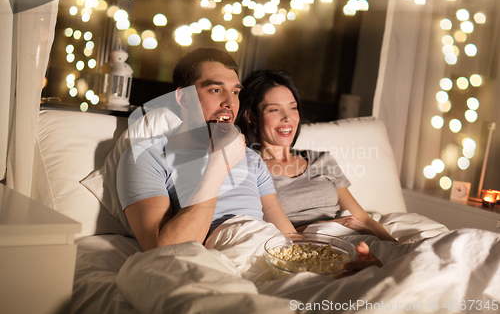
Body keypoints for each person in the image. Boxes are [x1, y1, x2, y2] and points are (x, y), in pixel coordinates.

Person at [116, 48, 381, 273]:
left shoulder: (251, 160)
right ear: (183, 97)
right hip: (218, 259)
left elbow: (288, 238)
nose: (230, 103)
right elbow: (165, 253)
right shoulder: (147, 156)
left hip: (268, 251)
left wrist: (332, 264)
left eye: (235, 92)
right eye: (216, 90)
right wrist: (218, 164)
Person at [235, 69, 396, 242]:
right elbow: (270, 231)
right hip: (310, 247)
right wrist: (326, 226)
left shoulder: (321, 160)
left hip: (354, 239)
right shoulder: (251, 170)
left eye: (293, 107)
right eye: (274, 110)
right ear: (251, 116)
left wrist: (396, 247)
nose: (287, 117)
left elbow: (363, 219)